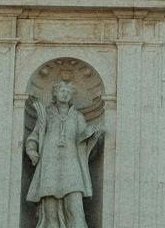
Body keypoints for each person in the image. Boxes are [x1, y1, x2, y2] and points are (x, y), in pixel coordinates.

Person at [26, 78, 103, 228]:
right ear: (55, 94)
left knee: (75, 204)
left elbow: (84, 140)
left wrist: (93, 135)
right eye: (62, 91)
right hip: (50, 164)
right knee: (50, 209)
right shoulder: (47, 114)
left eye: (68, 92)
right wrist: (31, 150)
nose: (65, 94)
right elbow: (35, 136)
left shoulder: (78, 117)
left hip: (71, 164)